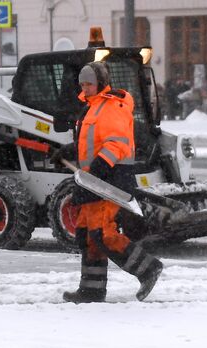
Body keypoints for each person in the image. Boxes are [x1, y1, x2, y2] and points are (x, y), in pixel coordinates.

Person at [51, 61, 163, 303]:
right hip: (92, 180)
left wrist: (100, 167)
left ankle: (148, 268)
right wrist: (68, 151)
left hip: (109, 179)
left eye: (89, 83)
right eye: (82, 84)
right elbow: (93, 142)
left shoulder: (112, 106)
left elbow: (116, 144)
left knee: (104, 233)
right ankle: (91, 290)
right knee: (88, 236)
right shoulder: (92, 107)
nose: (85, 87)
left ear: (100, 82)